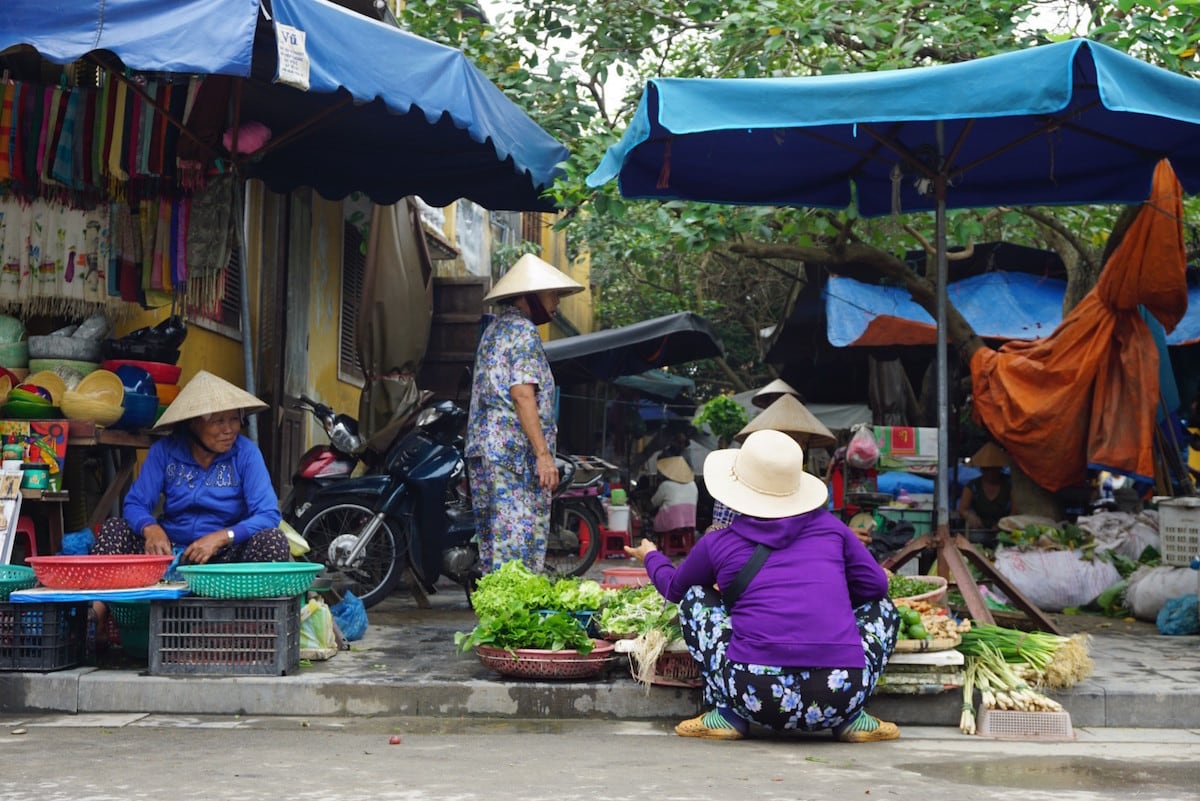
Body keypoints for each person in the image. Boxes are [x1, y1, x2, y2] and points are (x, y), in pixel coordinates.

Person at [625, 429, 900, 742]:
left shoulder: (719, 541)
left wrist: (651, 555)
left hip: (753, 694)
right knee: (884, 609)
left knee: (695, 597)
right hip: (842, 692)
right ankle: (851, 720)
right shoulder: (832, 528)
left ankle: (727, 716)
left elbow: (674, 588)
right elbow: (876, 587)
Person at [91, 370, 290, 645]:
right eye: (219, 420)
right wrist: (151, 529)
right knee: (115, 528)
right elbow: (136, 503)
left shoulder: (245, 453)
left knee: (273, 541)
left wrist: (222, 537)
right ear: (193, 423)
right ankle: (96, 618)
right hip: (166, 556)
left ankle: (249, 630)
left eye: (234, 419)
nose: (229, 429)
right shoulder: (165, 451)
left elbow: (268, 514)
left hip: (222, 560)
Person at [466, 253, 584, 573]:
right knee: (518, 548)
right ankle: (511, 618)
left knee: (495, 547)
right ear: (530, 294)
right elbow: (522, 394)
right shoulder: (524, 332)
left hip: (484, 451)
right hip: (513, 454)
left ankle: (496, 617)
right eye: (552, 293)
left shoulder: (494, 331)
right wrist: (543, 455)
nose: (557, 301)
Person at [958, 441, 1014, 531]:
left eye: (994, 470)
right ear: (982, 469)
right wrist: (970, 516)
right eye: (987, 470)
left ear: (1000, 469)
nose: (990, 473)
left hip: (1003, 530)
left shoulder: (1009, 485)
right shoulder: (973, 486)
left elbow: (1015, 512)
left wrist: (1002, 524)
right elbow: (963, 509)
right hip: (980, 530)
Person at [649, 455, 697, 536]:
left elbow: (654, 502)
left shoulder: (666, 485)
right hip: (690, 523)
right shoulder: (693, 485)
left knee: (655, 518)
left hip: (670, 523)